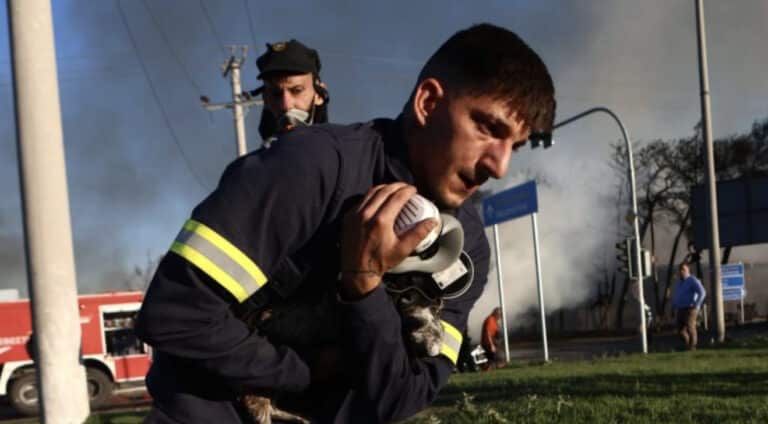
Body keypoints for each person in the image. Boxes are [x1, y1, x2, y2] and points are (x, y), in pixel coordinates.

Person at [135, 23, 555, 423]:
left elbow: (402, 397)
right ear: (428, 102)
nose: (499, 166)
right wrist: (305, 370)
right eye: (487, 128)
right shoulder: (311, 166)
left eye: (515, 146)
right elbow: (175, 314)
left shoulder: (468, 251)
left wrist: (363, 284)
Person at [251, 39, 330, 147]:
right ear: (266, 99)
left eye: (297, 91)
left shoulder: (346, 151)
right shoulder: (257, 158)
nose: (286, 105)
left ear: (319, 95)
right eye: (276, 93)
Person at [672, 262, 706, 351]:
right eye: (680, 270)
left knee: (690, 327)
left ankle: (692, 347)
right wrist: (674, 306)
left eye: (683, 269)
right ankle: (687, 345)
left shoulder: (692, 280)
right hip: (680, 308)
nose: (681, 271)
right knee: (680, 330)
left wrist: (696, 304)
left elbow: (702, 292)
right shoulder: (679, 282)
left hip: (690, 308)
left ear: (688, 270)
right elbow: (677, 295)